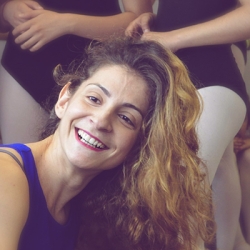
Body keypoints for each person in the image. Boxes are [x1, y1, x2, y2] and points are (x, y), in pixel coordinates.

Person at [0, 37, 214, 250]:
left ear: (141, 147)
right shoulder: (6, 174)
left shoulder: (99, 211)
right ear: (64, 100)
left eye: (126, 118)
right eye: (94, 99)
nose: (101, 121)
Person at [126, 1, 250, 250]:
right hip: (183, 85)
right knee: (220, 172)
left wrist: (173, 37)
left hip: (213, 80)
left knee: (179, 203)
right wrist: (153, 18)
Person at [0, 0, 152, 144]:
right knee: (20, 160)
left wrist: (67, 23)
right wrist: (7, 9)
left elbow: (141, 24)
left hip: (92, 70)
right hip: (23, 67)